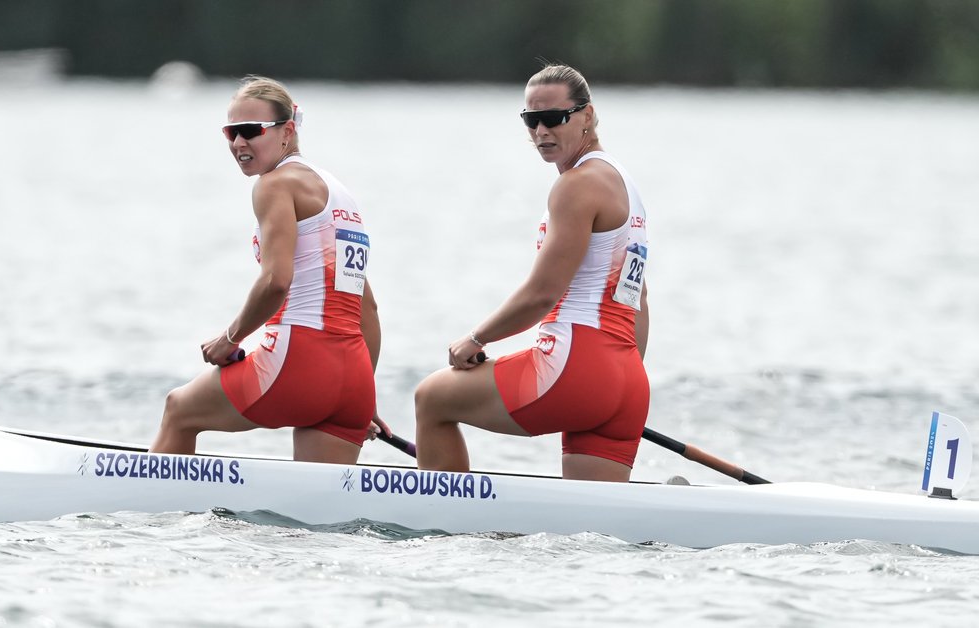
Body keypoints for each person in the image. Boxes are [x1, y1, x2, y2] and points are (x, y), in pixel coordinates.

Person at [414, 64, 650, 481]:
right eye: (531, 120)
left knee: (432, 398)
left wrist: (474, 339)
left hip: (574, 365)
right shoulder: (623, 184)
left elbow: (543, 292)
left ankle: (446, 529)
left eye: (554, 119)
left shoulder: (576, 185)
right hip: (628, 380)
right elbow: (637, 298)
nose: (541, 131)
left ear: (587, 116)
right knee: (591, 530)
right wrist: (620, 382)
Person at [150, 76, 382, 464]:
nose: (238, 143)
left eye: (250, 131)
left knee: (180, 409)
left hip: (298, 362)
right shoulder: (338, 192)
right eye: (231, 132)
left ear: (287, 131)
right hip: (354, 377)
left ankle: (145, 518)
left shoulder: (274, 185)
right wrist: (363, 395)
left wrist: (230, 338)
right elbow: (367, 308)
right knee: (314, 519)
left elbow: (276, 281)